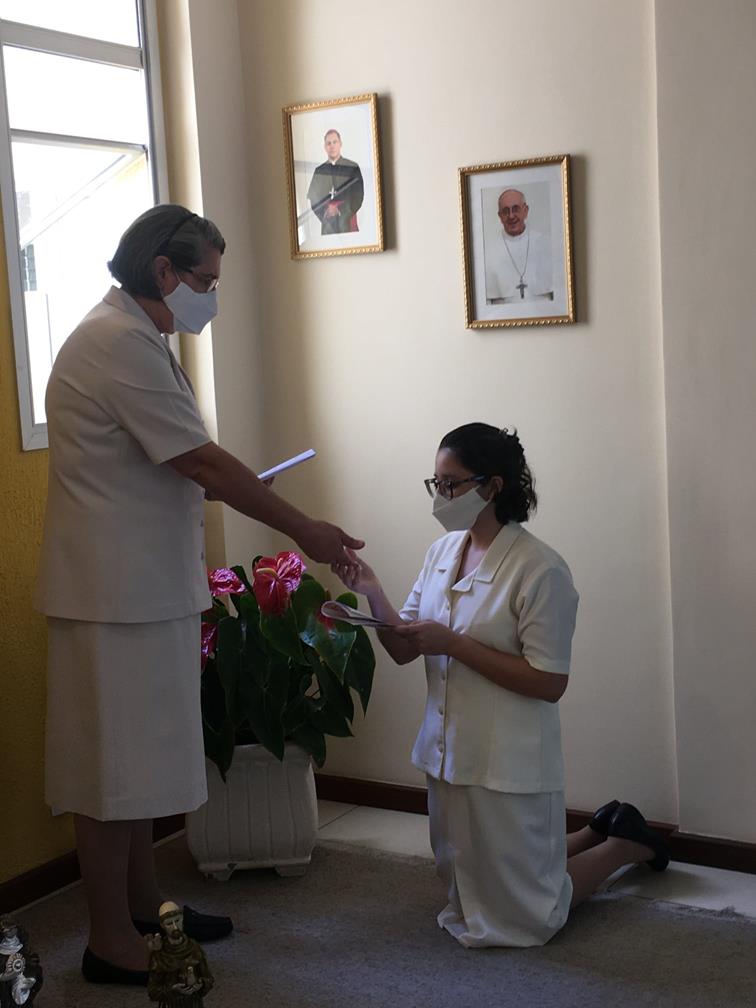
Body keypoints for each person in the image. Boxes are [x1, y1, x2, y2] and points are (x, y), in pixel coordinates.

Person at [34, 204, 365, 985]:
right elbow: (202, 462)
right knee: (110, 773)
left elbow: (171, 463)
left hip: (144, 590)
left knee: (143, 764)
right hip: (112, 598)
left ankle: (145, 907)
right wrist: (305, 530)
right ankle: (108, 940)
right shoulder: (117, 342)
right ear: (163, 271)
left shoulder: (138, 337)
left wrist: (225, 485)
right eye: (206, 281)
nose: (211, 297)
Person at [331, 423, 669, 948]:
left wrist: (455, 644)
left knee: (531, 915)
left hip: (507, 758)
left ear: (493, 486)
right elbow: (403, 648)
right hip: (447, 753)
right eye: (436, 483)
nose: (440, 497)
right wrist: (372, 592)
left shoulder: (540, 569)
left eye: (451, 484)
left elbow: (549, 682)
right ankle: (596, 829)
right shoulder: (441, 553)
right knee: (472, 888)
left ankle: (627, 845)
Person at [485, 188, 554, 304]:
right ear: (500, 216)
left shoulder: (546, 245)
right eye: (505, 211)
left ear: (525, 211)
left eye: (515, 209)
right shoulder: (488, 254)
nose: (511, 216)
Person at [147, 901, 213, 1006]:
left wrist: (201, 984)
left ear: (182, 919)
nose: (175, 927)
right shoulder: (160, 955)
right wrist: (172, 990)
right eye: (169, 923)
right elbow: (153, 991)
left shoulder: (194, 948)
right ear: (162, 926)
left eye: (177, 920)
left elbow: (208, 978)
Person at [306, 129, 364, 235]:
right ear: (325, 147)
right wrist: (325, 211)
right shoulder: (319, 171)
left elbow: (358, 196)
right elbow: (313, 199)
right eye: (328, 143)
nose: (332, 146)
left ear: (340, 144)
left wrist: (340, 209)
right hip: (327, 225)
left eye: (334, 142)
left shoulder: (352, 167)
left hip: (347, 222)